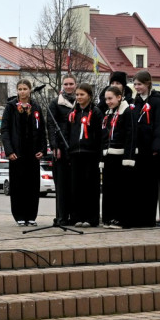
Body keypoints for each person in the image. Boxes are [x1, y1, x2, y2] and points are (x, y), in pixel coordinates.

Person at [1, 79, 47, 226]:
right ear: (17, 91)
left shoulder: (36, 107)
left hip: (32, 154)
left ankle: (31, 215)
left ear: (30, 90)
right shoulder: (11, 107)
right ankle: (19, 215)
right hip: (17, 153)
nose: (22, 92)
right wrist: (9, 150)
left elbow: (42, 131)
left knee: (32, 186)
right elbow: (5, 130)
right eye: (20, 89)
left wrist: (42, 149)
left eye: (25, 89)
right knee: (18, 186)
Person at [131, 70, 160, 227]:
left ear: (147, 83)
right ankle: (138, 216)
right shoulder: (136, 102)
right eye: (135, 84)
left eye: (139, 84)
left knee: (150, 185)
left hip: (151, 150)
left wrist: (157, 146)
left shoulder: (156, 102)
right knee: (138, 185)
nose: (137, 87)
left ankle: (148, 218)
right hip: (137, 149)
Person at [65, 83, 101, 227]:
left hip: (90, 154)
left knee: (89, 187)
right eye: (77, 95)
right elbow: (68, 132)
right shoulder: (73, 113)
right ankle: (76, 217)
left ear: (89, 96)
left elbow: (99, 135)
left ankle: (91, 218)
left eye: (82, 95)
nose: (79, 97)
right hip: (75, 154)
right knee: (76, 187)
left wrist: (98, 155)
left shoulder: (96, 112)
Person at [101, 85, 137, 228]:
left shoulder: (127, 112)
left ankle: (122, 219)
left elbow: (131, 136)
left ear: (119, 97)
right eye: (106, 99)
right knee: (109, 189)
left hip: (121, 156)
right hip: (108, 155)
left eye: (110, 98)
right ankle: (109, 217)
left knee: (121, 190)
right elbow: (104, 136)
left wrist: (128, 158)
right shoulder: (108, 113)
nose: (108, 101)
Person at [48, 75, 76, 225]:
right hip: (60, 149)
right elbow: (51, 126)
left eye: (71, 83)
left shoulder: (80, 102)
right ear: (62, 85)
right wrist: (54, 146)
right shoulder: (55, 103)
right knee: (62, 185)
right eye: (66, 84)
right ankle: (61, 216)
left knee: (73, 185)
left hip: (75, 149)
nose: (69, 86)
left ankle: (74, 216)